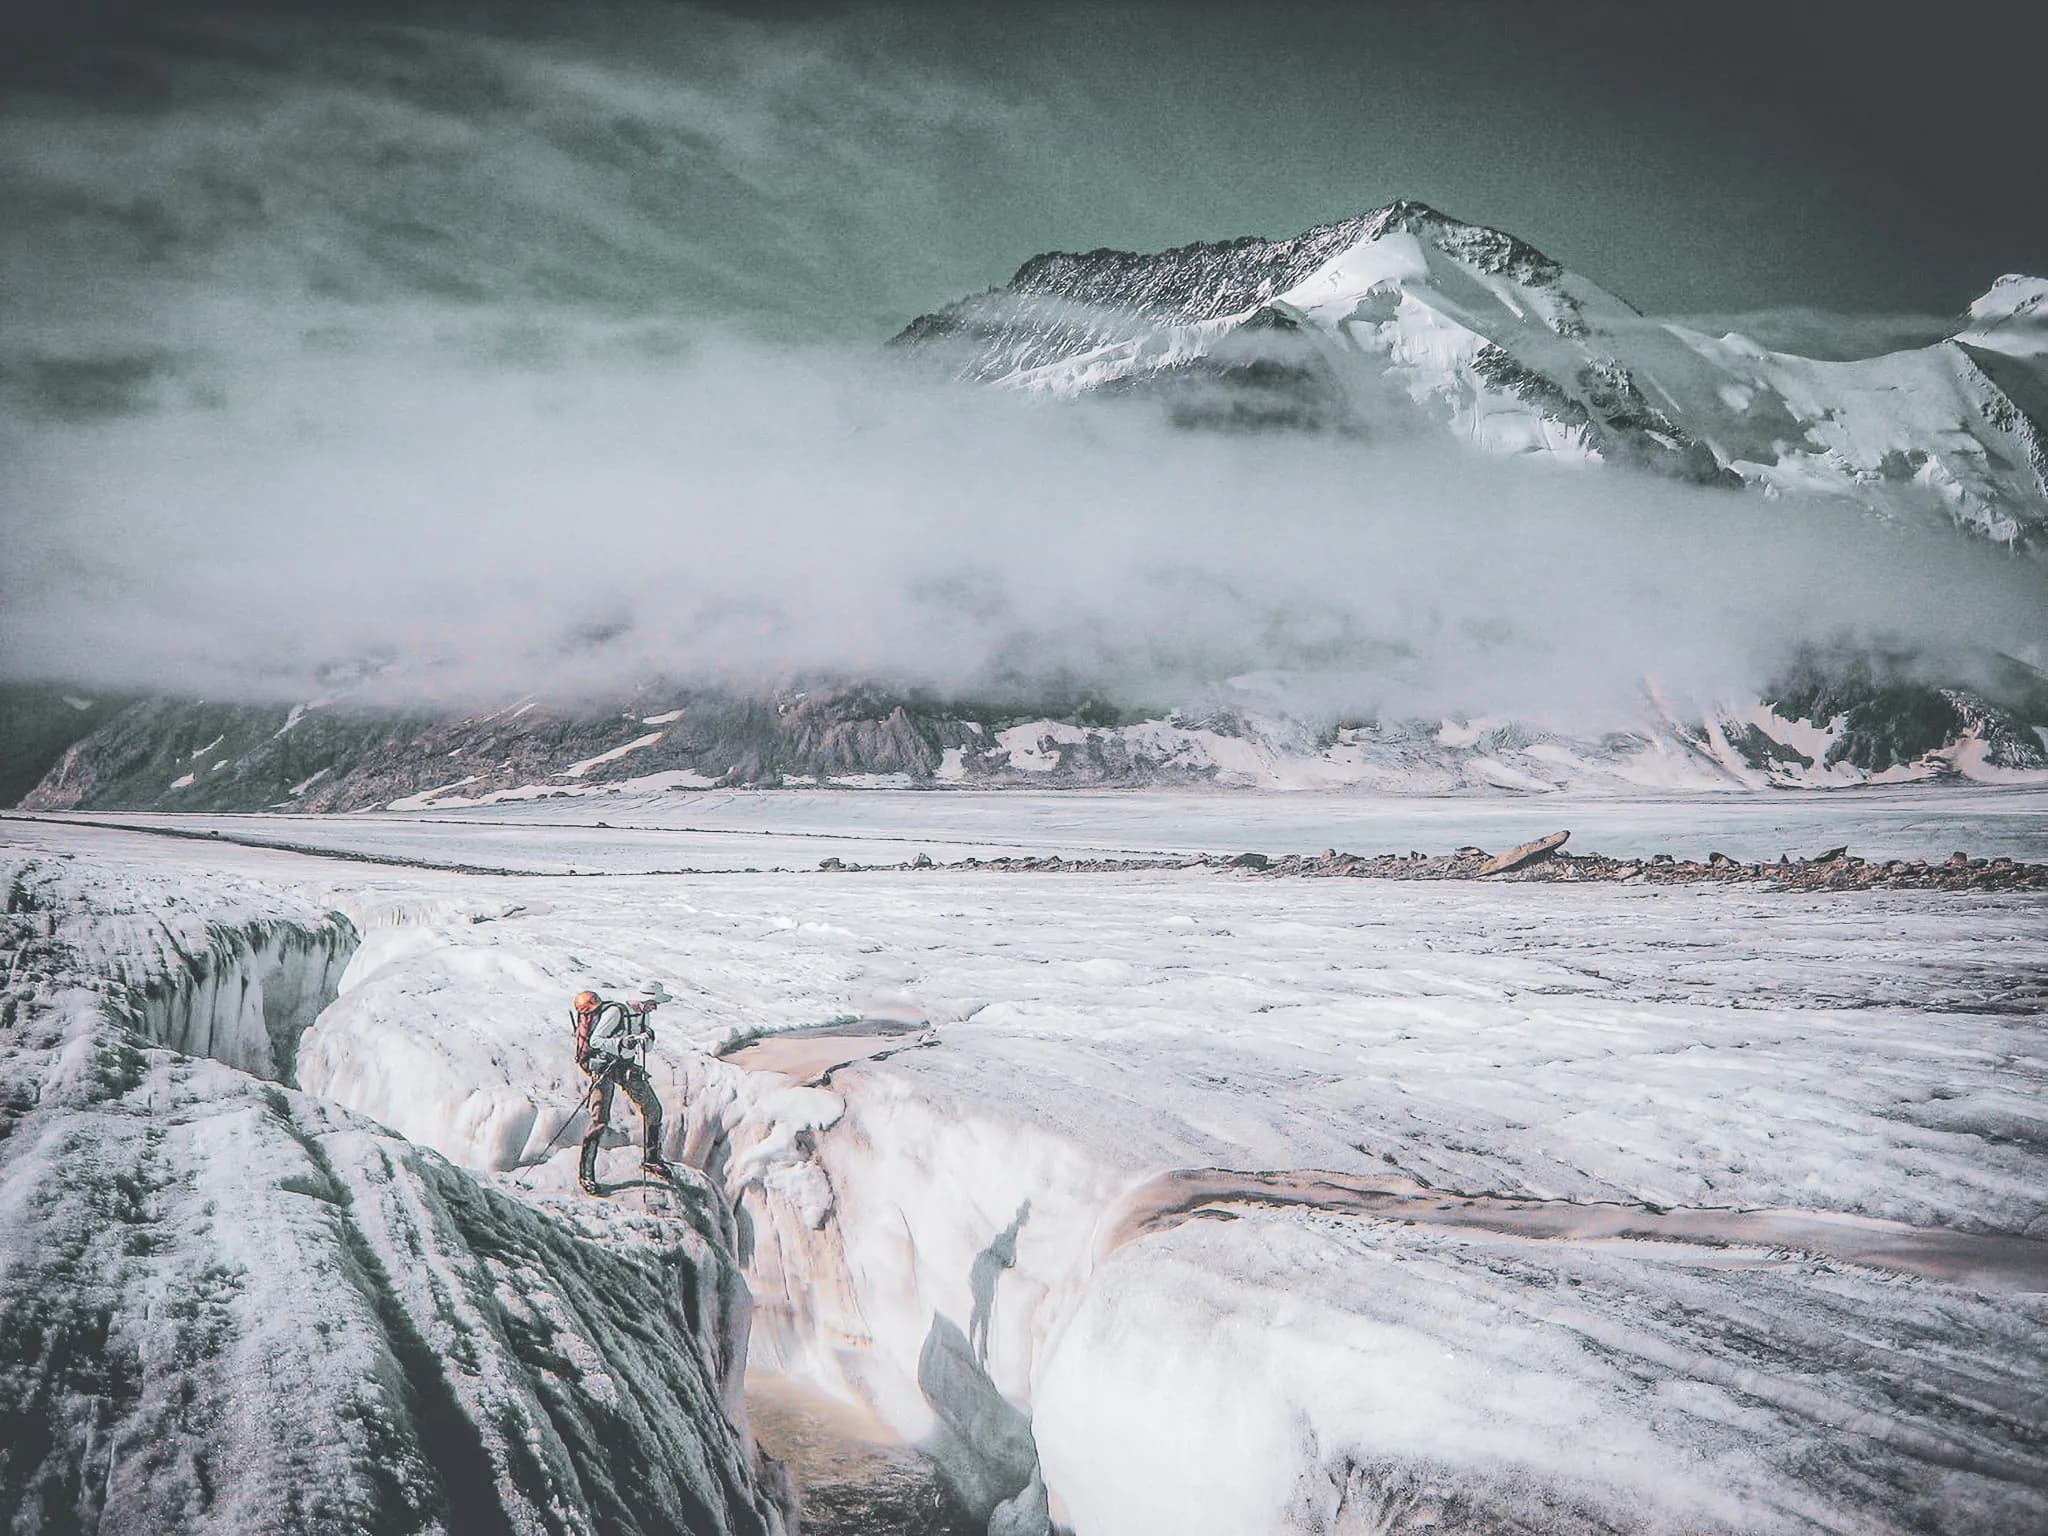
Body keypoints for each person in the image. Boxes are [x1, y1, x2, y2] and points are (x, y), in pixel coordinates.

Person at [572, 981, 675, 1194]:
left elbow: (646, 1043)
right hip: (604, 1066)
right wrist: (622, 1043)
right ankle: (586, 1174)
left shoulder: (643, 1015)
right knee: (599, 1119)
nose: (655, 1007)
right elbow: (596, 1040)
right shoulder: (615, 1013)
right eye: (653, 1003)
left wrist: (646, 1039)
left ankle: (652, 1158)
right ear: (643, 1001)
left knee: (653, 1110)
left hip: (625, 1065)